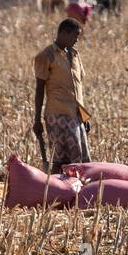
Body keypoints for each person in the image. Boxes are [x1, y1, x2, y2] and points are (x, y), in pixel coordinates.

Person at [33, 18, 91, 171]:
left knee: (82, 160)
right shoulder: (46, 56)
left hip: (75, 115)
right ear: (64, 33)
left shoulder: (75, 55)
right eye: (75, 36)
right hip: (58, 115)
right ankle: (55, 191)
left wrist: (83, 116)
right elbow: (39, 90)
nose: (76, 40)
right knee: (60, 161)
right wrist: (37, 119)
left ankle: (76, 192)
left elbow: (77, 89)